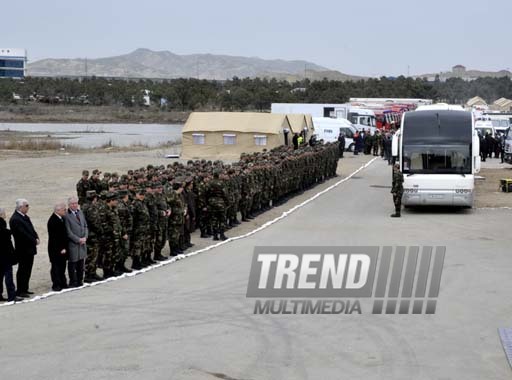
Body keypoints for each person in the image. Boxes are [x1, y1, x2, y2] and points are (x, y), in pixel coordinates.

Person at [9, 198, 39, 298]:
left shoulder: (24, 217)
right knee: (23, 270)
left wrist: (36, 236)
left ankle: (25, 288)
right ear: (20, 207)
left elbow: (31, 229)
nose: (28, 208)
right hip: (23, 249)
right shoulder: (15, 219)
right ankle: (21, 290)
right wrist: (33, 240)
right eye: (26, 206)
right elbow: (22, 234)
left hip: (29, 248)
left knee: (28, 269)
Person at [64, 197, 88, 287]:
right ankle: (73, 281)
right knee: (72, 264)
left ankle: (80, 280)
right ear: (69, 205)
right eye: (72, 204)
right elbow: (68, 232)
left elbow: (85, 226)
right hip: (73, 244)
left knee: (81, 264)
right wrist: (78, 239)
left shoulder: (80, 212)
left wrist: (85, 237)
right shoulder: (66, 215)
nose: (74, 205)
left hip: (82, 243)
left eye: (75, 203)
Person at [0, 208, 22, 302]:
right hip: (4, 255)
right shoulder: (1, 224)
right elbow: (4, 236)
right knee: (8, 276)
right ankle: (11, 295)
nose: (5, 215)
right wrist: (9, 232)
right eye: (4, 213)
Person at [47, 202, 69, 291]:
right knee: (56, 267)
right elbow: (55, 237)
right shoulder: (53, 221)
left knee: (62, 266)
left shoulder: (61, 218)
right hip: (56, 248)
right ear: (58, 210)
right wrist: (61, 248)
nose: (65, 211)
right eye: (64, 210)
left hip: (62, 247)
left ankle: (62, 282)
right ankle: (56, 284)